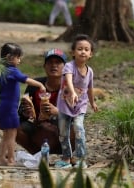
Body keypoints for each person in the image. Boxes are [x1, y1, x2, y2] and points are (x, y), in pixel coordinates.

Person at [16, 48, 76, 156]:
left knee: (76, 127)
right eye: (50, 63)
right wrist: (26, 112)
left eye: (58, 62)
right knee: (14, 126)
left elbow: (78, 114)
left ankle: (66, 154)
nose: (54, 66)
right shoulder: (35, 84)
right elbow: (21, 113)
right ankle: (36, 154)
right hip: (38, 130)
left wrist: (58, 112)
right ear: (44, 66)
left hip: (61, 132)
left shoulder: (70, 87)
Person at [0, 43, 46, 166]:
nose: (19, 60)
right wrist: (40, 85)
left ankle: (1, 158)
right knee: (12, 134)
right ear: (9, 57)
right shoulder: (12, 71)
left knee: (6, 134)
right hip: (10, 108)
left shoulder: (2, 71)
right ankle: (11, 159)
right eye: (17, 57)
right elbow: (26, 79)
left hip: (3, 106)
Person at [54, 34, 98, 169]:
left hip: (80, 105)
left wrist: (92, 103)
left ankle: (79, 158)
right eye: (79, 49)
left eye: (86, 49)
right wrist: (72, 92)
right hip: (65, 104)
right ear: (73, 52)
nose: (83, 51)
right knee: (63, 131)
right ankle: (66, 158)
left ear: (90, 54)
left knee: (79, 128)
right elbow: (68, 79)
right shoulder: (69, 66)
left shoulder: (90, 71)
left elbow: (90, 88)